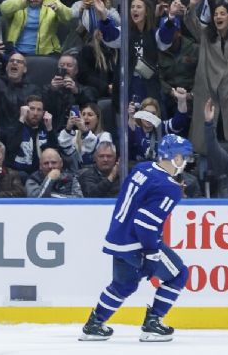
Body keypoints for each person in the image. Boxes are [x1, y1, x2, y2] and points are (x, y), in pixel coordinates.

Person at [80, 134, 192, 342]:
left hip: (117, 237)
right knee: (179, 274)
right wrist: (151, 253)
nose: (185, 162)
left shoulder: (143, 168)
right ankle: (153, 323)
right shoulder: (170, 187)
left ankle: (94, 324)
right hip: (137, 242)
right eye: (184, 157)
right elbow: (145, 223)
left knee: (124, 284)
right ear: (176, 158)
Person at [181, 0, 228, 152]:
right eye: (215, 14)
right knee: (207, 141)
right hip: (209, 93)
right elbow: (190, 22)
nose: (218, 17)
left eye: (222, 14)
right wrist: (192, 5)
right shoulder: (206, 35)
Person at [0, 0, 72, 56]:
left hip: (46, 53)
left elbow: (68, 17)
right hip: (16, 52)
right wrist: (24, 1)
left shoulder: (52, 0)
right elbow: (4, 9)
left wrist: (59, 9)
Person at [58, 103, 113, 169]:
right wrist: (68, 129)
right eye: (83, 114)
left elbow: (99, 155)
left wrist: (85, 132)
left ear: (97, 119)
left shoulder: (105, 136)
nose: (85, 117)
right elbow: (67, 152)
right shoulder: (76, 134)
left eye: (90, 115)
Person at [0, 52, 42, 131]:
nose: (14, 63)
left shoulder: (33, 89)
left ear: (25, 69)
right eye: (11, 61)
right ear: (7, 67)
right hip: (0, 132)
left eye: (19, 62)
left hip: (25, 133)